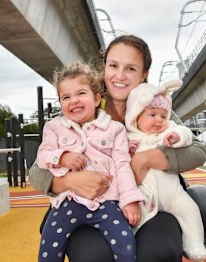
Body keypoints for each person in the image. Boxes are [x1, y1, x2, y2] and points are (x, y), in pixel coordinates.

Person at [30, 35, 206, 262]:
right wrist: (71, 181)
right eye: (113, 65)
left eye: (131, 68)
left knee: (156, 253)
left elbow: (198, 150)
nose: (120, 76)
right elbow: (36, 171)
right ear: (104, 67)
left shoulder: (153, 106)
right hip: (92, 204)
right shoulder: (82, 103)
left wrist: (145, 159)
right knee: (93, 257)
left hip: (148, 201)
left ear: (144, 75)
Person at [36, 61, 144, 262]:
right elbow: (42, 157)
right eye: (66, 97)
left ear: (96, 98)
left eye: (80, 93)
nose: (73, 101)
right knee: (48, 250)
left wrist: (130, 200)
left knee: (126, 245)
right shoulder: (54, 127)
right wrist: (63, 156)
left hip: (106, 202)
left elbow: (122, 166)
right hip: (67, 202)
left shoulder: (114, 129)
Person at [125, 78, 206, 261]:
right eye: (152, 115)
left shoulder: (168, 131)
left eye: (163, 116)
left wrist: (175, 136)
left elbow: (187, 136)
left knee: (190, 210)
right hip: (145, 194)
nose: (159, 120)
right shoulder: (129, 136)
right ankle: (126, 246)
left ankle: (194, 244)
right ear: (136, 117)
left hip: (173, 193)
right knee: (132, 218)